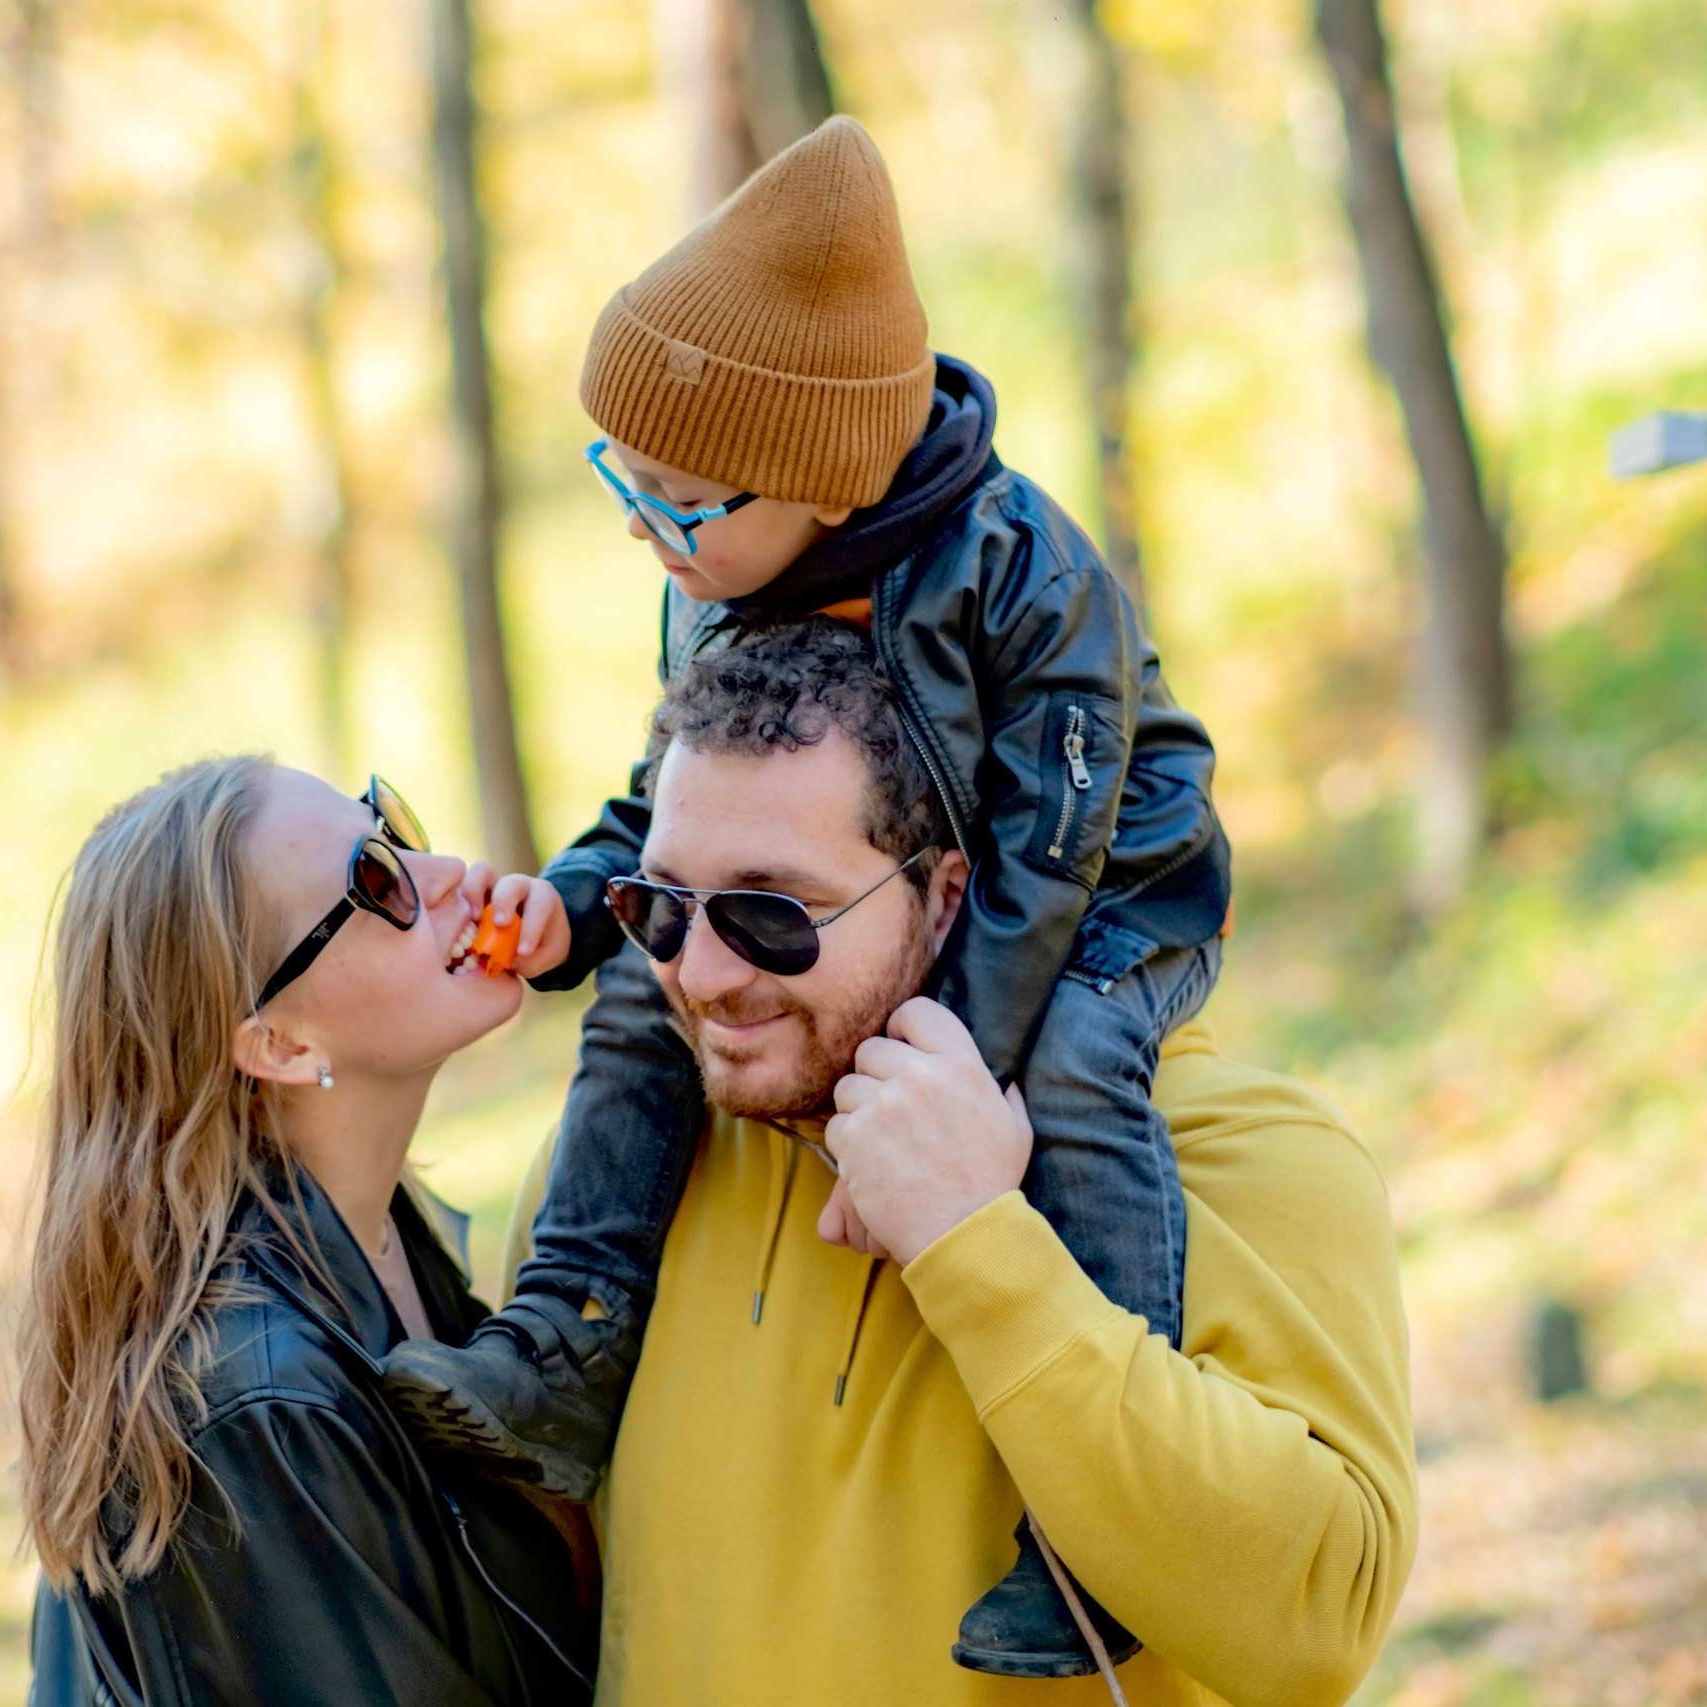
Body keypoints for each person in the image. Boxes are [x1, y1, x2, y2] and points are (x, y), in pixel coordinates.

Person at [382, 114, 1231, 1674]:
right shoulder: (715, 581)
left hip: (1104, 889)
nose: (652, 532)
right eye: (623, 489)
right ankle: (566, 1336)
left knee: (1085, 1080)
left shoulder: (1025, 577)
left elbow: (1051, 853)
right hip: (867, 895)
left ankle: (1081, 1531)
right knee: (653, 980)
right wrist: (580, 907)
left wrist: (929, 1096)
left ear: (820, 480)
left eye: (686, 505)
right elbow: (679, 806)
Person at [502, 623, 1417, 1705]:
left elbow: (1313, 1628)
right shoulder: (621, 1180)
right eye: (656, 907)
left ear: (950, 894)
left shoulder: (1247, 1155)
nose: (699, 975)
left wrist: (971, 1238)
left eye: (768, 914)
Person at [16, 758, 593, 1707]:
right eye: (376, 880)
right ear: (279, 1045)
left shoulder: (378, 1241)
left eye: (390, 827)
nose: (443, 870)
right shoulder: (258, 1403)